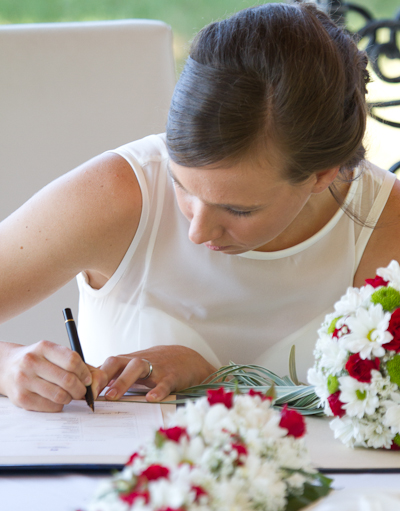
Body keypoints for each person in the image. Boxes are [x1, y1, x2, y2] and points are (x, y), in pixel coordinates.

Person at [0, 1, 399, 412]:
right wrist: (8, 365)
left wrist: (217, 379)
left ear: (321, 175)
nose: (197, 232)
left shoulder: (384, 223)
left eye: (239, 210)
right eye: (181, 185)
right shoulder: (118, 193)